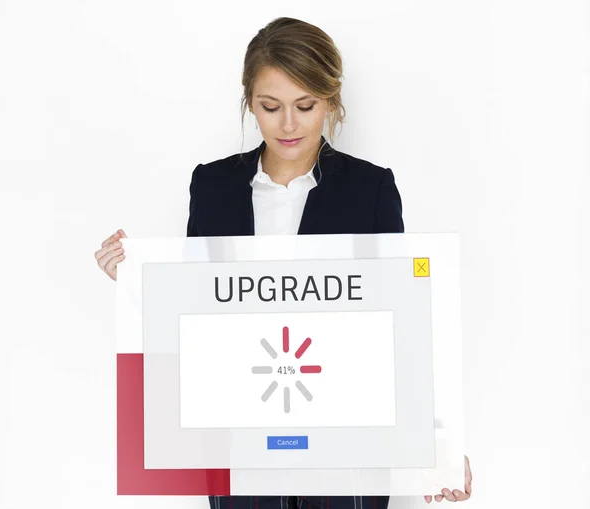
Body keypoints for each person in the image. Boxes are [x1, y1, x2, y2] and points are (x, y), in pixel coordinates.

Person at [95, 16, 472, 509]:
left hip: (348, 439)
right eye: (271, 107)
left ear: (331, 101)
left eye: (305, 106)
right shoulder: (212, 187)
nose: (288, 125)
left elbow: (402, 324)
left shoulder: (370, 188)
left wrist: (438, 443)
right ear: (249, 102)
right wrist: (134, 280)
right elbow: (195, 311)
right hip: (241, 434)